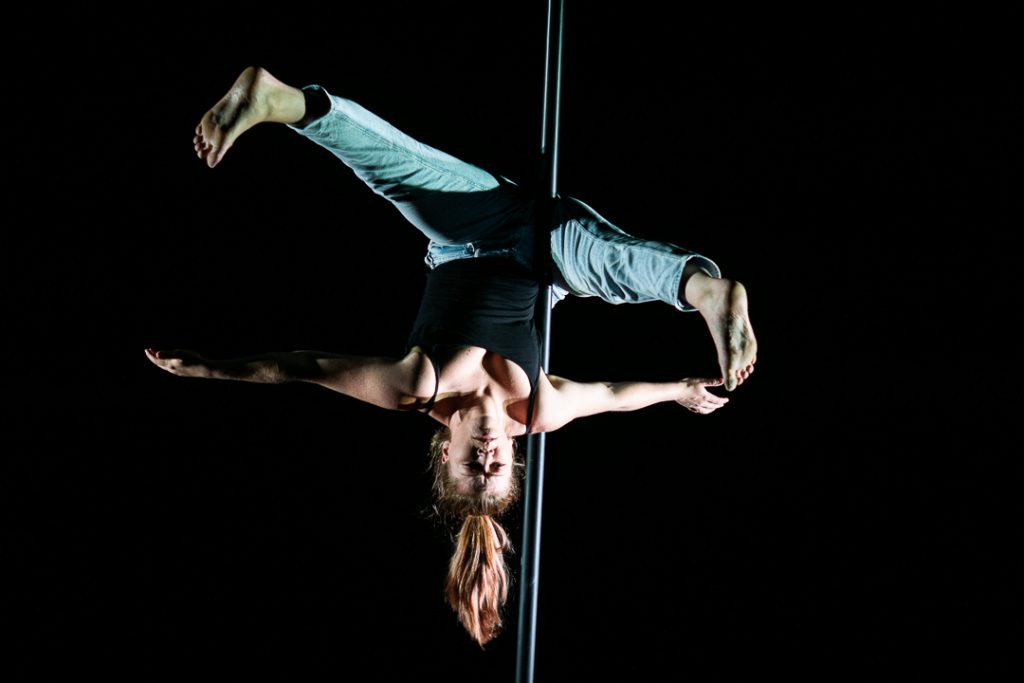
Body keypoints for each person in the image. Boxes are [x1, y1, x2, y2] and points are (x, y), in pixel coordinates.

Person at [145, 66, 757, 646]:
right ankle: (706, 289)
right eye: (498, 469)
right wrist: (679, 388)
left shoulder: (415, 388)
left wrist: (210, 369)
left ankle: (278, 99)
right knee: (609, 267)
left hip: (472, 226)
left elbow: (302, 367)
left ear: (447, 450)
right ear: (515, 458)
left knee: (394, 172)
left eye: (472, 466)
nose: (488, 457)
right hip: (548, 256)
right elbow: (617, 396)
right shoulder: (540, 409)